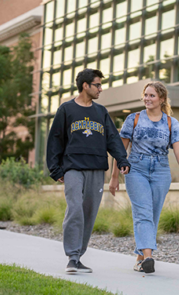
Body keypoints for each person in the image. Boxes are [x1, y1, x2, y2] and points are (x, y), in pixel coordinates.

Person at [47, 69, 130, 274]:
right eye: (98, 85)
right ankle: (72, 257)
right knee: (75, 208)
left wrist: (121, 159)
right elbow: (55, 140)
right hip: (73, 167)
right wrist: (55, 169)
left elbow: (112, 138)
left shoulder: (101, 112)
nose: (100, 89)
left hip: (96, 168)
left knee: (89, 213)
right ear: (86, 85)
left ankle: (79, 256)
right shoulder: (66, 109)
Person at [109, 81, 179, 274]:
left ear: (162, 99)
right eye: (145, 95)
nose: (147, 99)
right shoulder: (134, 119)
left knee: (152, 215)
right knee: (143, 212)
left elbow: (178, 147)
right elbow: (121, 150)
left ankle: (140, 259)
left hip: (161, 169)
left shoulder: (171, 122)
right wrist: (114, 177)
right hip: (136, 168)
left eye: (152, 95)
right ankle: (149, 258)